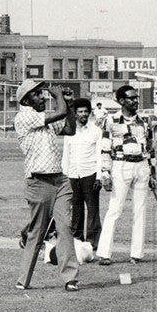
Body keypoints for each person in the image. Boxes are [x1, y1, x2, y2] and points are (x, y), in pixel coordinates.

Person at [13, 79, 79, 291]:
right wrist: (58, 95)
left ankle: (70, 278)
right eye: (38, 94)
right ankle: (24, 280)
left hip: (60, 181)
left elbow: (69, 129)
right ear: (26, 100)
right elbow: (58, 113)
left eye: (43, 94)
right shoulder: (24, 117)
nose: (42, 97)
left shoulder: (44, 119)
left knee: (65, 227)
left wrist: (67, 103)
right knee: (37, 232)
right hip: (38, 182)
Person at [96, 85, 156, 266]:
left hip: (141, 166)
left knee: (140, 210)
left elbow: (151, 149)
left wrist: (153, 173)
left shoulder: (145, 120)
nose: (135, 101)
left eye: (136, 98)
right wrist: (105, 173)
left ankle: (136, 254)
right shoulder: (110, 120)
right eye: (131, 98)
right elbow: (105, 148)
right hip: (121, 165)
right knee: (115, 209)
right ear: (121, 101)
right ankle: (105, 254)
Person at [61, 98, 103, 250]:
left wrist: (99, 177)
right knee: (76, 209)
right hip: (73, 175)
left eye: (86, 111)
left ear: (89, 112)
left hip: (90, 174)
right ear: (75, 113)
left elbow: (100, 156)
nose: (83, 114)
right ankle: (77, 240)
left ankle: (93, 242)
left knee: (92, 209)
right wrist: (64, 176)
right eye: (80, 112)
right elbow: (66, 156)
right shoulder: (69, 132)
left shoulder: (96, 131)